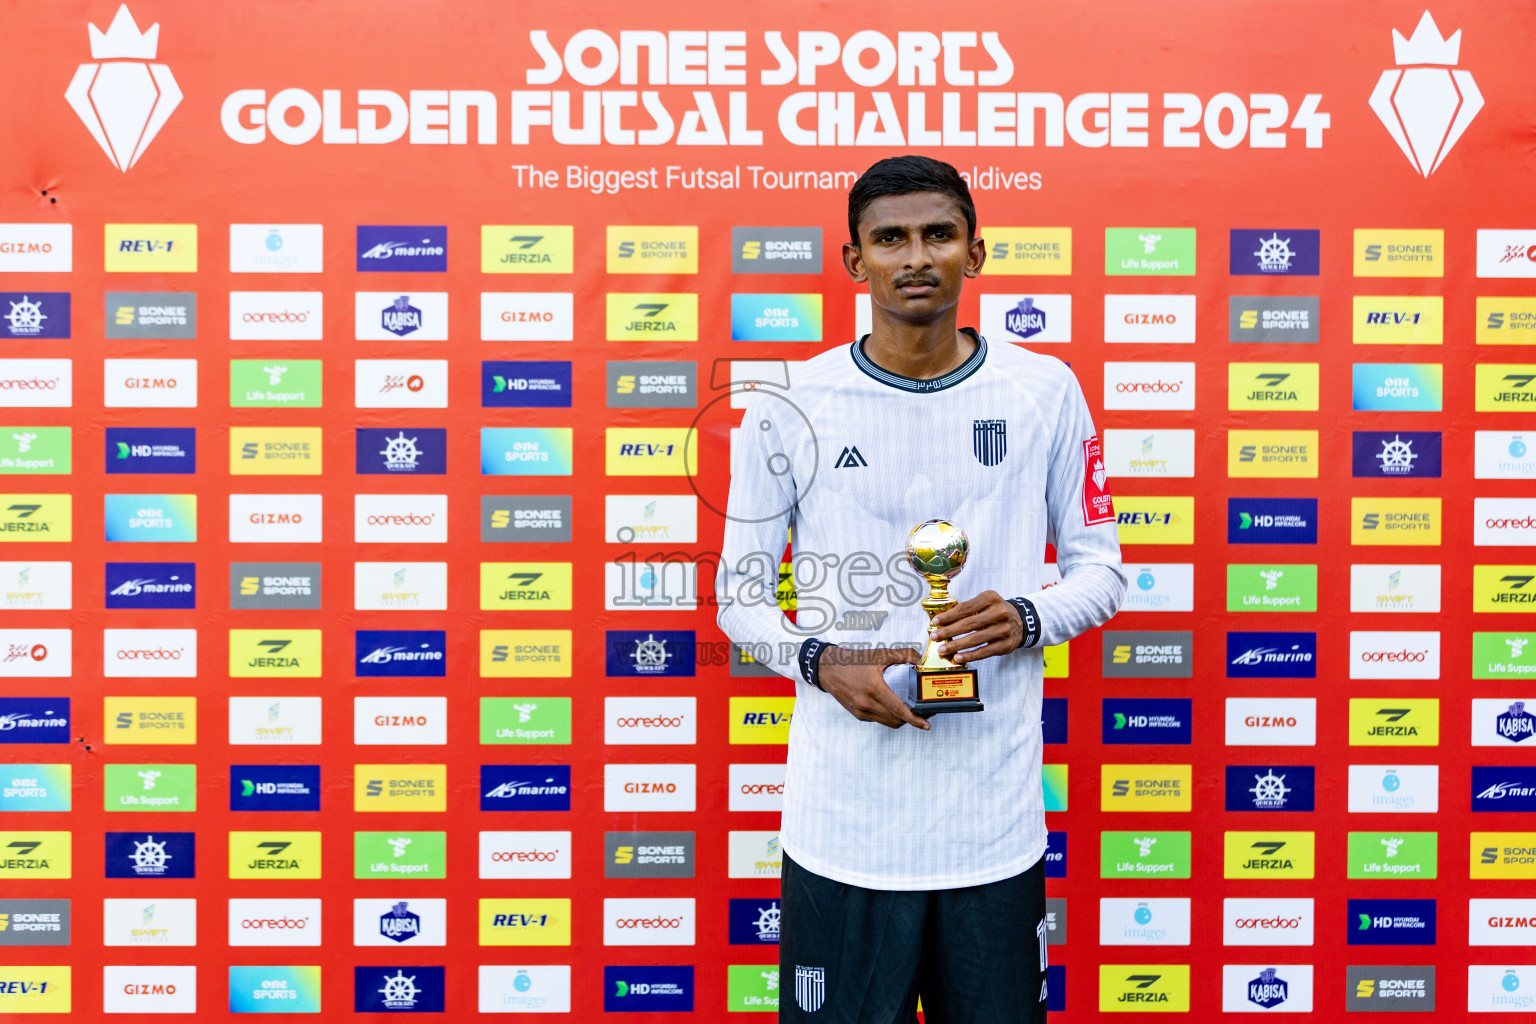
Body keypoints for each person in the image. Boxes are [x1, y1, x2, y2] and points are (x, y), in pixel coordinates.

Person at [715, 155, 1126, 1023]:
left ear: (975, 255)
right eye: (890, 237)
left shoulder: (1045, 391)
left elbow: (1101, 570)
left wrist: (1025, 616)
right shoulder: (789, 403)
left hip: (992, 830)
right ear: (852, 260)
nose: (916, 257)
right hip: (843, 827)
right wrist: (821, 660)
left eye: (939, 235)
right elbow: (739, 599)